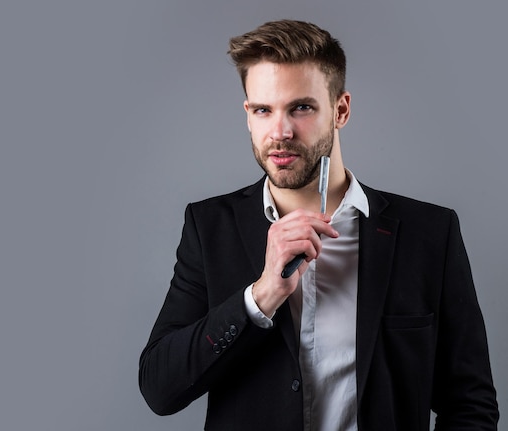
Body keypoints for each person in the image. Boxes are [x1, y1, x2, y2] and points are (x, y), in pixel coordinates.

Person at [138, 19, 499, 430]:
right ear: (248, 115)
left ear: (340, 110)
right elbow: (159, 389)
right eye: (263, 110)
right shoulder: (209, 228)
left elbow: (470, 404)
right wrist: (261, 296)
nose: (281, 131)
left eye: (302, 108)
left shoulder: (429, 233)